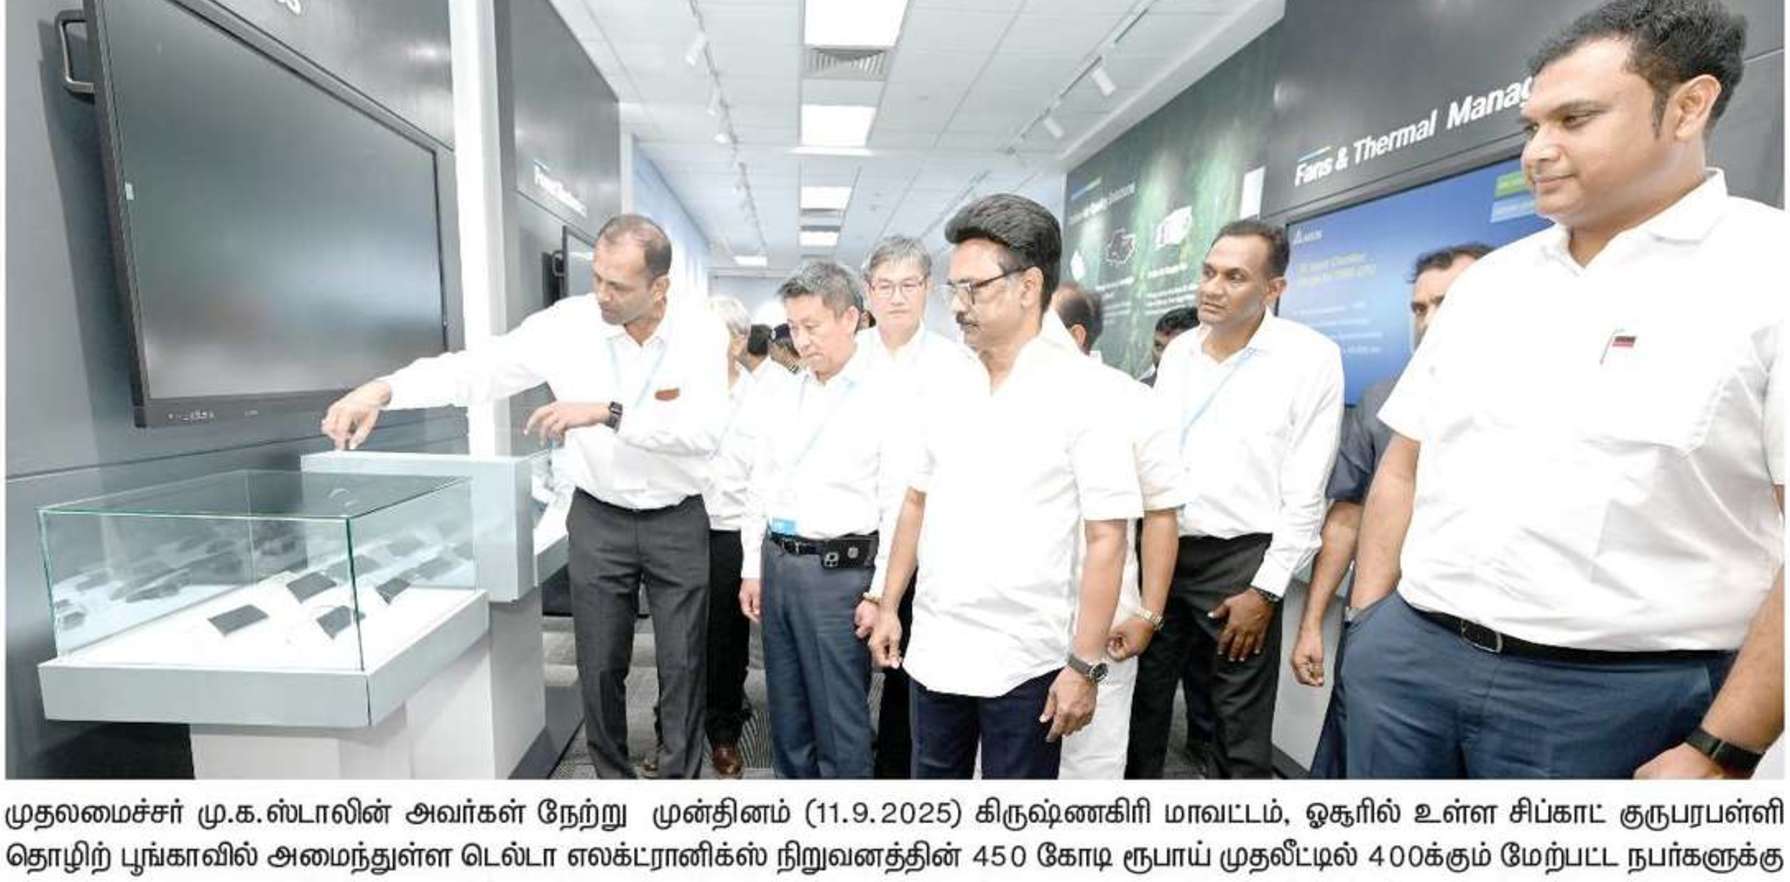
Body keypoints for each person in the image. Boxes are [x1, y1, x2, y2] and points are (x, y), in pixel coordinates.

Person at [1343, 0, 1785, 778]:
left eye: (1575, 120)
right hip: (1411, 661)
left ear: (1688, 107)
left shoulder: (1766, 273)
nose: (1539, 151)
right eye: (1532, 127)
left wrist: (1723, 749)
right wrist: (1371, 623)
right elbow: (1406, 462)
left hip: (1615, 702)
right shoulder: (1492, 283)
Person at [320, 214, 730, 780]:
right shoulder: (568, 325)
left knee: (683, 662)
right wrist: (384, 389)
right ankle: (611, 779)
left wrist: (609, 413)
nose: (602, 295)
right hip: (599, 518)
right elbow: (477, 370)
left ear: (659, 287)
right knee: (599, 662)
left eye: (618, 286)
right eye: (597, 278)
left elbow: (704, 433)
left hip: (676, 519)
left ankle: (681, 783)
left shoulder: (700, 333)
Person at [868, 194, 1141, 779]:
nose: (957, 305)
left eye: (975, 288)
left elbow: (1107, 539)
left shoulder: (1087, 394)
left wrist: (1084, 665)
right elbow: (915, 501)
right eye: (954, 289)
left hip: (1026, 659)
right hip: (937, 649)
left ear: (1028, 286)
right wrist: (889, 605)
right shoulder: (944, 383)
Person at [1127, 219, 1343, 780]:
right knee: (1140, 703)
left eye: (1234, 277)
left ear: (1274, 289)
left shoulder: (1309, 359)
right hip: (1163, 545)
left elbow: (1307, 488)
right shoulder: (1180, 353)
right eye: (1208, 272)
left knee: (1237, 725)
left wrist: (1266, 590)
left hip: (1241, 561)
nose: (1212, 288)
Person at [1292, 243, 1489, 778]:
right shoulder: (1383, 400)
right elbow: (1347, 516)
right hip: (1381, 626)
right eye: (1420, 308)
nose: (1429, 321)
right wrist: (1319, 623)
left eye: (1447, 303)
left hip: (1478, 645)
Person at [735, 261, 904, 779]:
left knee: (839, 720)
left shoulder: (886, 395)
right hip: (779, 564)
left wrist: (881, 595)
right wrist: (752, 567)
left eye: (812, 326)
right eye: (793, 327)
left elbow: (897, 506)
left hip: (839, 576)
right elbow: (761, 483)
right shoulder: (784, 392)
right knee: (787, 713)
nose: (801, 341)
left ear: (851, 318)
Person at [1043, 287, 1188, 779]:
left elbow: (1162, 513)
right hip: (1016, 619)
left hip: (1104, 619)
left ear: (1074, 335)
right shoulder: (1005, 392)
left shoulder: (1131, 399)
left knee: (1089, 763)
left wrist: (1149, 612)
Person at [855, 235, 980, 779]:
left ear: (928, 289)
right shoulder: (847, 357)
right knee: (843, 678)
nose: (897, 297)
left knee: (906, 678)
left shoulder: (959, 365)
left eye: (909, 285)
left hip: (921, 546)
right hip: (849, 538)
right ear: (868, 292)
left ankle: (893, 780)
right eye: (885, 286)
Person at [698, 295, 764, 778]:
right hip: (679, 526)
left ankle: (724, 733)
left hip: (732, 532)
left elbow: (765, 480)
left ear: (739, 341)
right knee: (677, 639)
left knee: (726, 640)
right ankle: (670, 730)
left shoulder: (762, 399)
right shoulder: (678, 390)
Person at [1139, 306, 1199, 387]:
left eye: (1173, 349)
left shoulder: (1211, 388)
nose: (1162, 357)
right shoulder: (1140, 390)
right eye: (1158, 346)